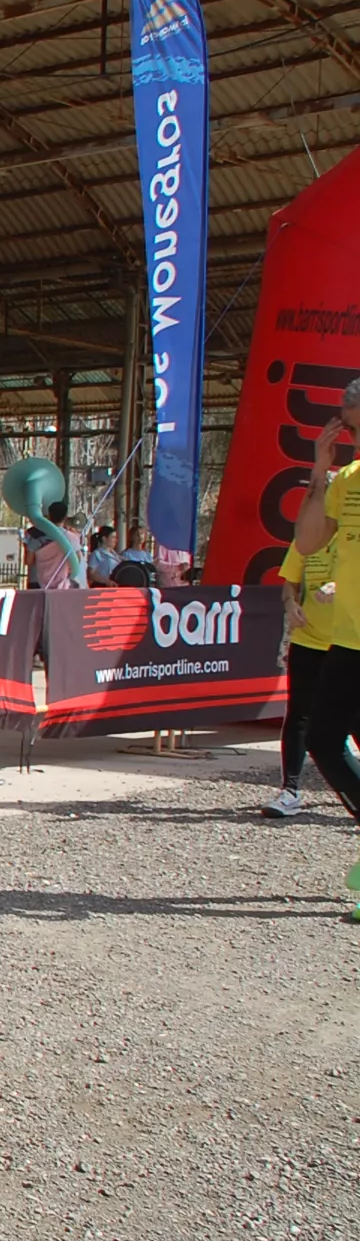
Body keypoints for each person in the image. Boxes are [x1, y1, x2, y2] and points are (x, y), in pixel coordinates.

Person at [290, 377, 360, 908]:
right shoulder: (346, 478)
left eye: (349, 416)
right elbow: (309, 540)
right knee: (325, 741)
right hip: (349, 640)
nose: (344, 424)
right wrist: (319, 470)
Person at [265, 534, 335, 819]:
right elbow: (289, 586)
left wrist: (340, 585)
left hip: (348, 642)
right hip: (308, 640)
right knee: (298, 715)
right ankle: (290, 791)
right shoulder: (306, 540)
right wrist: (291, 605)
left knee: (351, 716)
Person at [27, 502, 76, 590]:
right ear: (65, 518)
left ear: (48, 516)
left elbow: (29, 560)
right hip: (63, 585)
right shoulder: (71, 538)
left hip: (40, 583)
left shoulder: (36, 537)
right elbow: (77, 560)